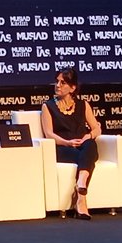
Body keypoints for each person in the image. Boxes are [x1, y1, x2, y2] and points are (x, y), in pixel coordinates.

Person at [39, 65, 102, 219]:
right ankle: (81, 197)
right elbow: (49, 134)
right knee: (87, 157)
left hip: (82, 145)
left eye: (63, 83)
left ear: (72, 88)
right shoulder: (48, 106)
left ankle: (81, 186)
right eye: (57, 81)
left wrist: (89, 136)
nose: (58, 85)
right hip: (62, 147)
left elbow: (96, 129)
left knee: (91, 144)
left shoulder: (83, 105)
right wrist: (67, 142)